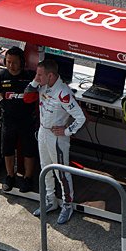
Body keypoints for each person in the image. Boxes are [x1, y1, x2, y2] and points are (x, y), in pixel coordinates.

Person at [23, 59, 87, 224]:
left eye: (39, 74)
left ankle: (67, 204)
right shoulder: (42, 85)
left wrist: (66, 131)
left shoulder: (63, 92)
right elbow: (27, 98)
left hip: (57, 138)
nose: (37, 77)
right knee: (45, 169)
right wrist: (35, 81)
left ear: (50, 75)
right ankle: (50, 200)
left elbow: (81, 118)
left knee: (61, 172)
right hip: (43, 133)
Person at [0, 46, 38, 193]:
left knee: (29, 150)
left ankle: (27, 178)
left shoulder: (31, 76)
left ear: (22, 62)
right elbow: (1, 93)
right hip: (8, 119)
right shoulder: (1, 76)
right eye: (8, 62)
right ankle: (9, 176)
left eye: (14, 62)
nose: (11, 66)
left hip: (27, 120)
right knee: (7, 149)